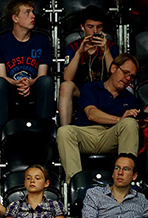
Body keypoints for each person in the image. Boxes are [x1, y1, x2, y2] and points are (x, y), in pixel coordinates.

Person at [57, 53, 141, 182]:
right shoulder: (91, 87)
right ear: (113, 69)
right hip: (87, 134)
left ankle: (125, 181)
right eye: (125, 72)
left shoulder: (130, 99)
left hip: (111, 136)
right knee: (64, 131)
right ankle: (77, 184)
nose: (127, 78)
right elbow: (92, 114)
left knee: (130, 124)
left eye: (131, 76)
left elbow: (128, 128)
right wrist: (120, 119)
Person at [0, 0, 53, 129]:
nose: (33, 16)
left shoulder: (42, 40)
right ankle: (1, 133)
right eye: (27, 13)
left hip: (34, 86)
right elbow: (1, 76)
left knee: (46, 81)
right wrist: (18, 83)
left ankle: (44, 132)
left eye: (33, 12)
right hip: (11, 88)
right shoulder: (1, 41)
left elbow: (41, 76)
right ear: (15, 18)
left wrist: (29, 83)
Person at [59, 6, 118, 126]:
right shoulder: (73, 47)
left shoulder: (110, 46)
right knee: (66, 86)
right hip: (82, 91)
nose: (95, 31)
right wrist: (79, 53)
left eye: (99, 27)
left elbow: (115, 76)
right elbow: (67, 78)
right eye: (90, 27)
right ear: (82, 27)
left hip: (105, 91)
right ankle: (65, 130)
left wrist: (106, 51)